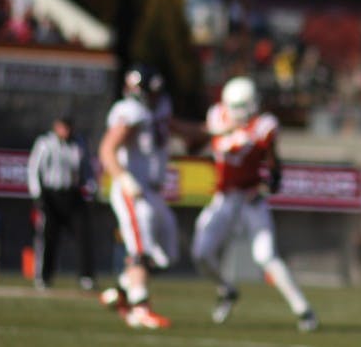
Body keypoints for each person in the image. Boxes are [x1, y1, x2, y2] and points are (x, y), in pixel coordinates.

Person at [189, 76, 319, 332]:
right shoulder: (217, 117)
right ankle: (226, 289)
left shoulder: (263, 126)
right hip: (224, 198)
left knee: (266, 256)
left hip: (250, 199)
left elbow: (274, 169)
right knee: (201, 253)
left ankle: (303, 310)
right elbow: (195, 145)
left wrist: (267, 185)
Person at [98, 66, 179, 329]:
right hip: (133, 190)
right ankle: (140, 308)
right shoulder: (130, 111)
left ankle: (121, 292)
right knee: (140, 249)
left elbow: (176, 128)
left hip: (153, 191)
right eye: (151, 93)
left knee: (167, 253)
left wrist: (210, 132)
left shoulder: (158, 108)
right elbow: (107, 149)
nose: (156, 98)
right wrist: (123, 178)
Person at [27, 113, 96, 291]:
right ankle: (44, 276)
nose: (66, 131)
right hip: (51, 196)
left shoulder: (79, 143)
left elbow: (87, 170)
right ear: (56, 127)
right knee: (49, 237)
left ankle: (86, 276)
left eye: (68, 127)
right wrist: (38, 195)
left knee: (84, 235)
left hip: (73, 194)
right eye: (62, 127)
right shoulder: (45, 143)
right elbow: (34, 170)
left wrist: (91, 190)